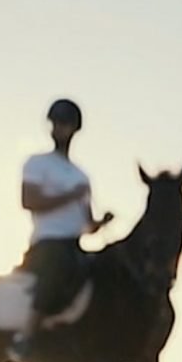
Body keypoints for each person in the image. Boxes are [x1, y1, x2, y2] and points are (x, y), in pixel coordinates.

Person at [19, 98, 115, 330]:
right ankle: (26, 332)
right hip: (49, 243)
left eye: (64, 123)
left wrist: (101, 223)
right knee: (57, 266)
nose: (59, 128)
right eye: (56, 123)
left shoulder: (81, 176)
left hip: (75, 246)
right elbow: (29, 201)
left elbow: (87, 226)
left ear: (74, 128)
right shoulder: (37, 163)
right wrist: (71, 196)